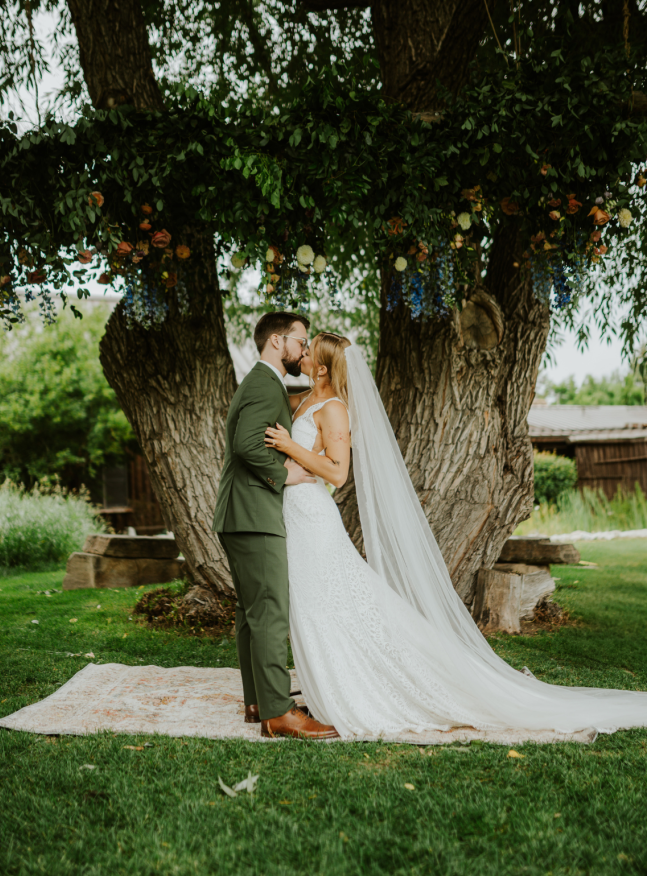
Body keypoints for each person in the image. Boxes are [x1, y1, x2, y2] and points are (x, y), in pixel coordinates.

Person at [264, 332, 647, 743]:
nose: (300, 354)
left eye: (308, 351)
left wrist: (290, 446)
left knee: (334, 604)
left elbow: (338, 473)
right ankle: (327, 685)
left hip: (315, 521)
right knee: (317, 606)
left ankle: (364, 689)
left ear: (322, 366)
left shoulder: (335, 409)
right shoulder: (303, 399)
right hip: (296, 518)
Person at [213, 312, 339, 740]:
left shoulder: (262, 382)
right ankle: (278, 714)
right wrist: (287, 475)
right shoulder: (267, 385)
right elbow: (246, 444)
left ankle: (257, 701)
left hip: (239, 513)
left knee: (252, 611)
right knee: (268, 610)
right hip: (253, 514)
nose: (304, 350)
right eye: (301, 341)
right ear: (276, 341)